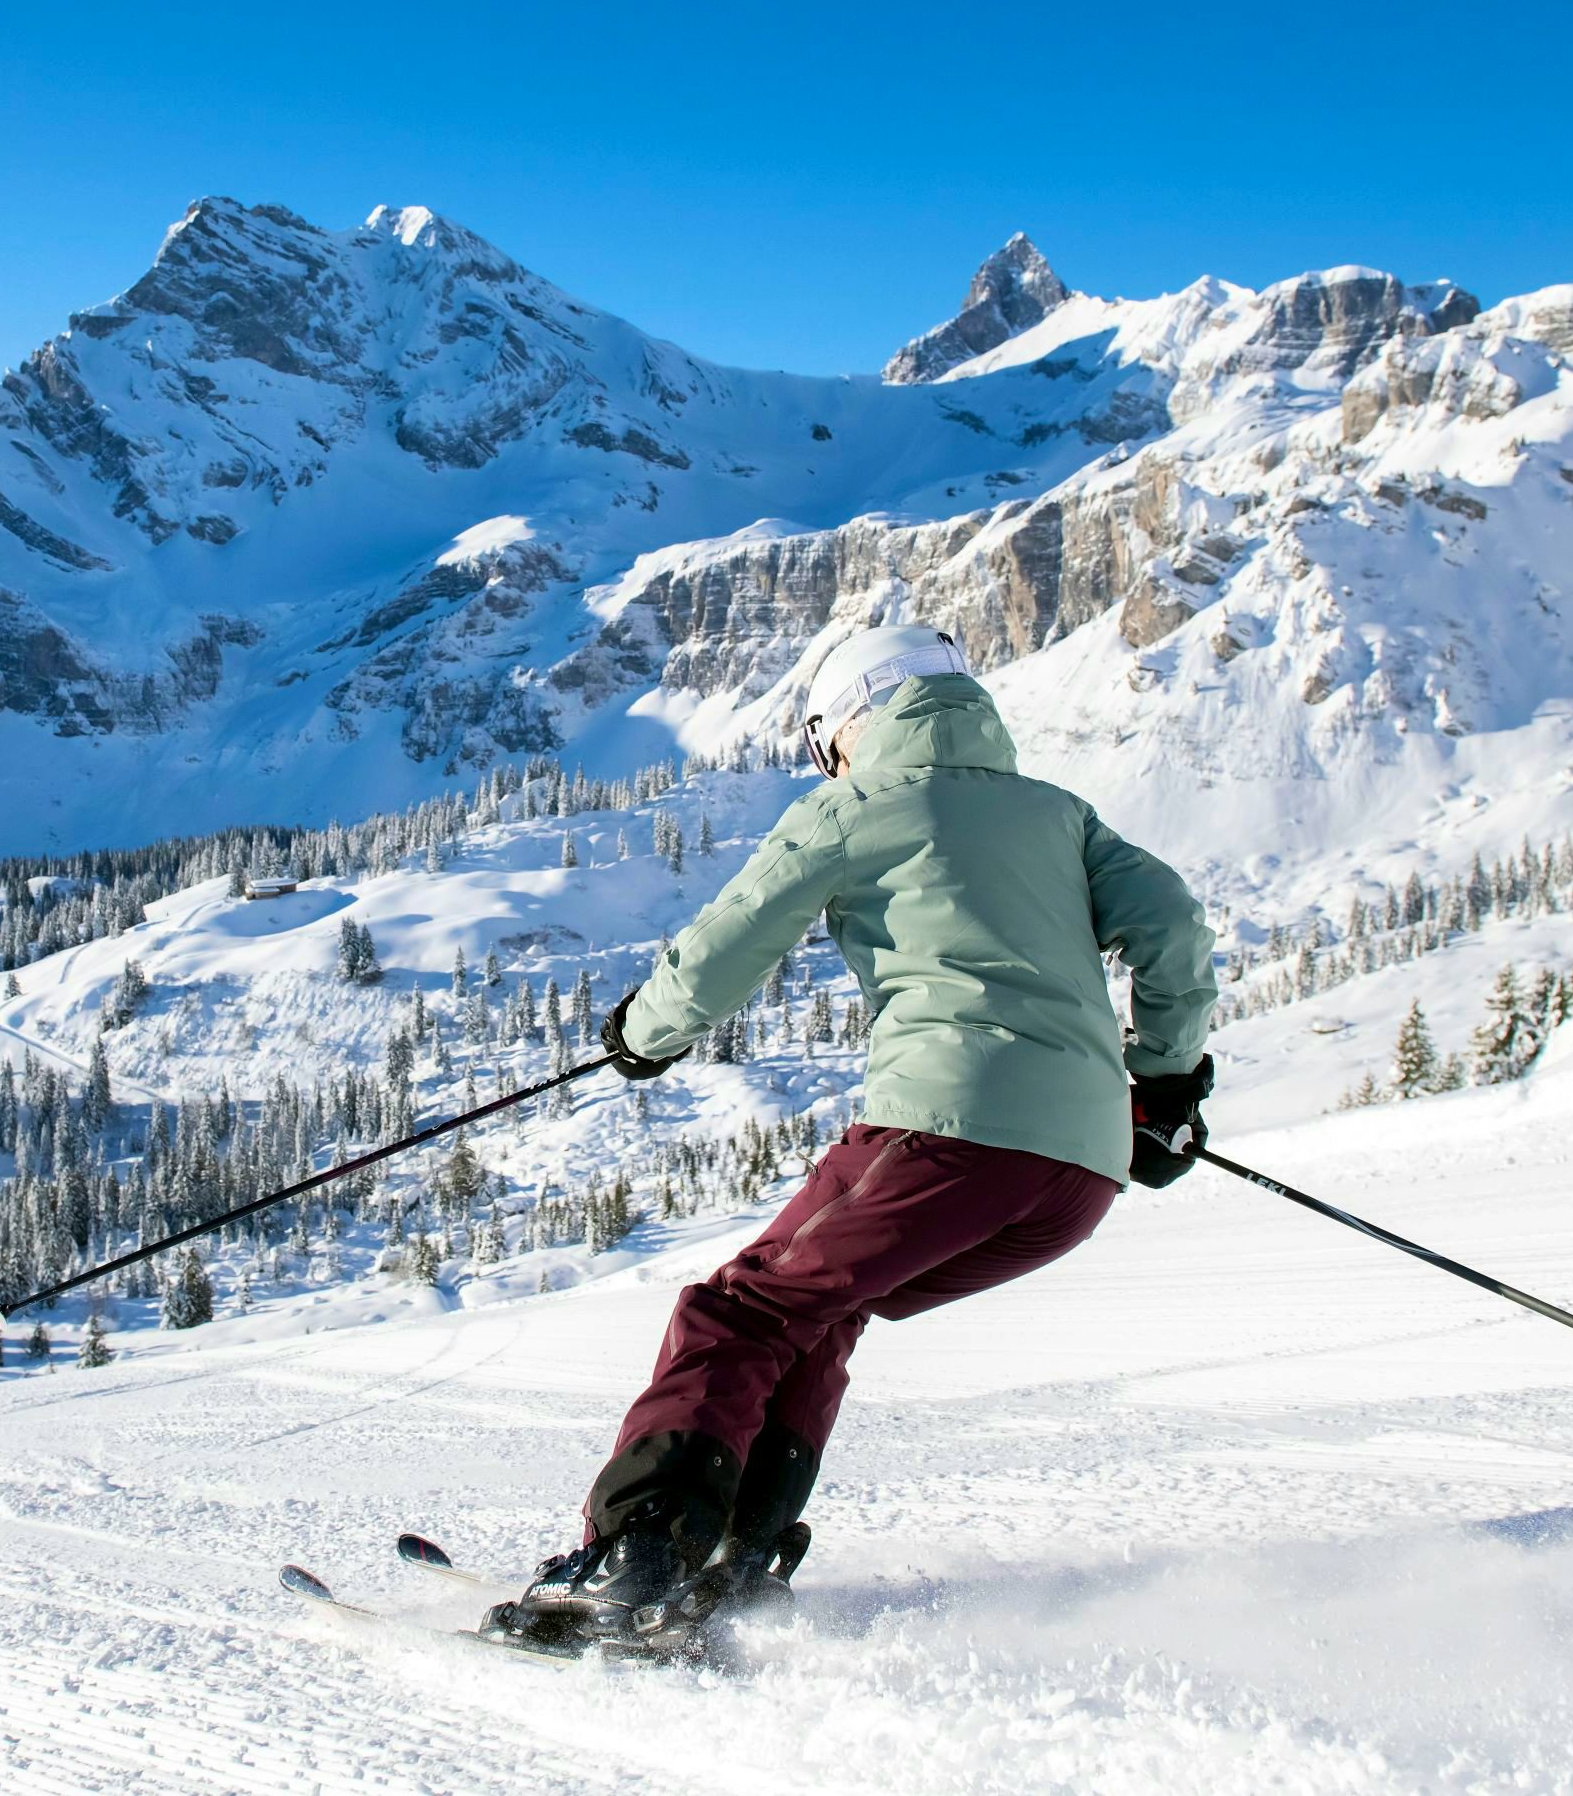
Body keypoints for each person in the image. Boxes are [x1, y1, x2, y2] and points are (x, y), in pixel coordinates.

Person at [494, 624, 1218, 1652]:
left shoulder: (853, 806)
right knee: (817, 1317)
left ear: (853, 722)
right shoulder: (1061, 817)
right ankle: (730, 1568)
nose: (822, 761)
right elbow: (1175, 931)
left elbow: (733, 934)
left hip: (946, 1131)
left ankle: (639, 1557)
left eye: (820, 740)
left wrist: (640, 1035)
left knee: (740, 1312)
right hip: (1077, 1178)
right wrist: (1158, 1085)